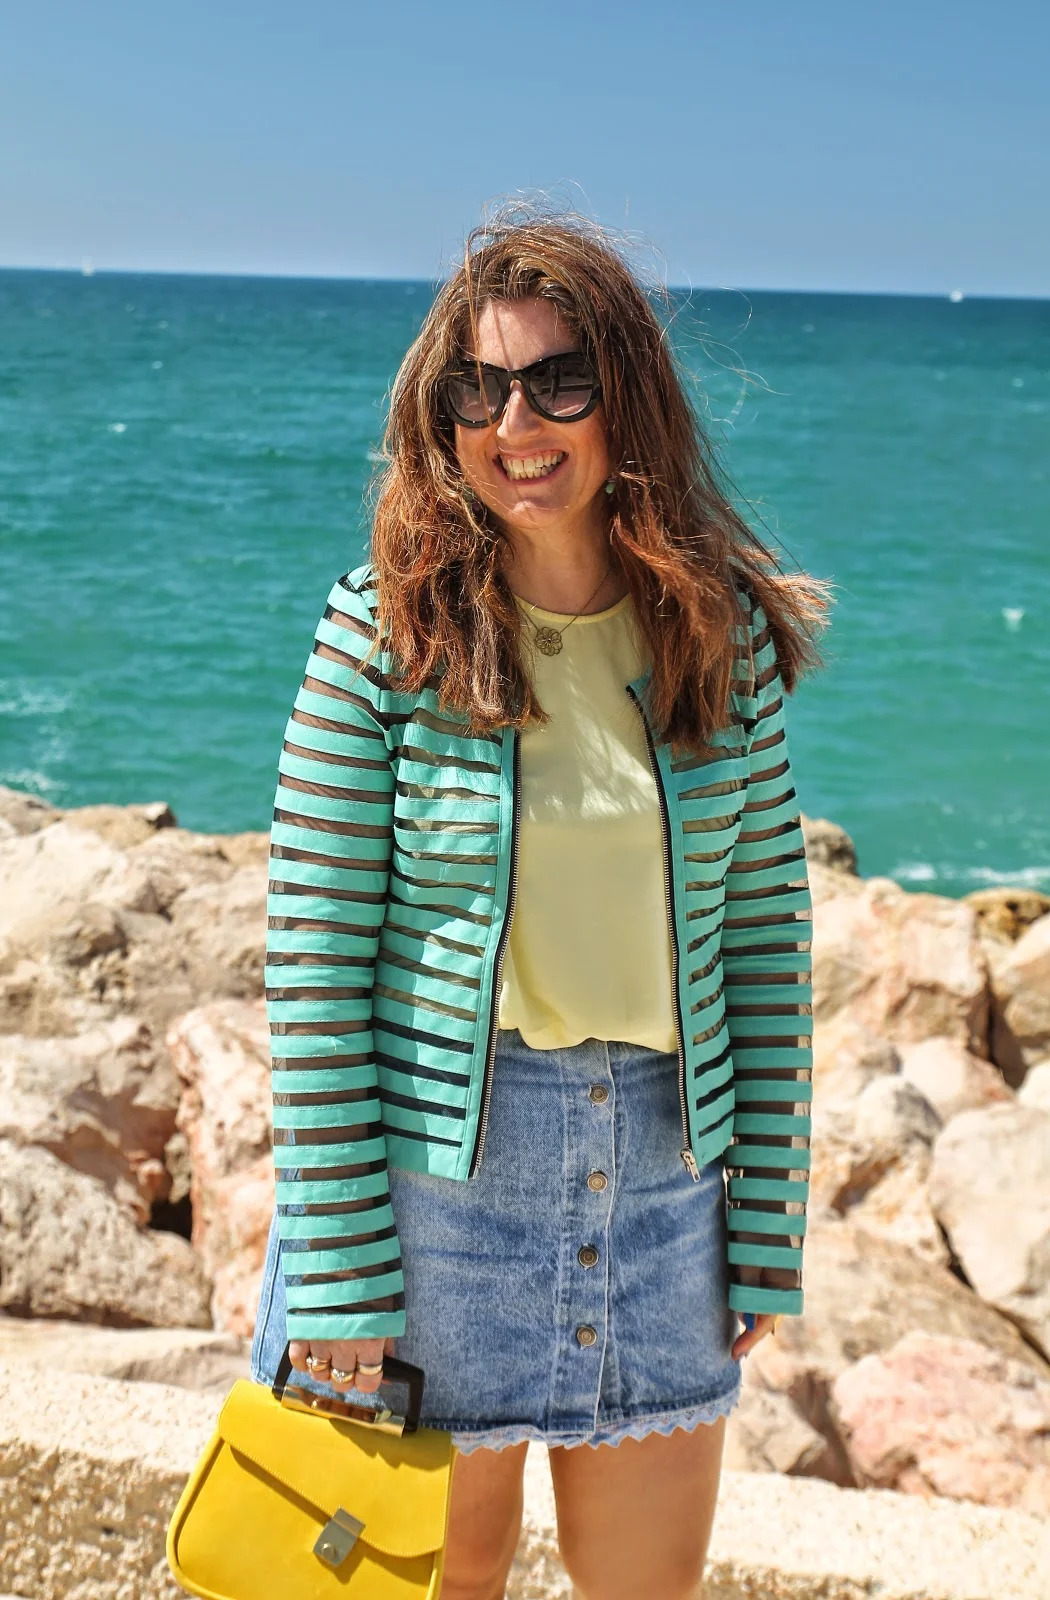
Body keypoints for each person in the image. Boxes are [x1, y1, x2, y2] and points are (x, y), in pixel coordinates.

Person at [251, 207, 829, 1600]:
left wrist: (764, 1228)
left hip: (664, 1189)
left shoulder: (719, 636)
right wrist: (339, 1276)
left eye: (559, 381)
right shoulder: (381, 634)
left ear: (626, 397)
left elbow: (762, 942)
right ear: (440, 414)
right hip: (428, 1206)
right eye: (481, 388)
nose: (517, 423)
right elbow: (313, 968)